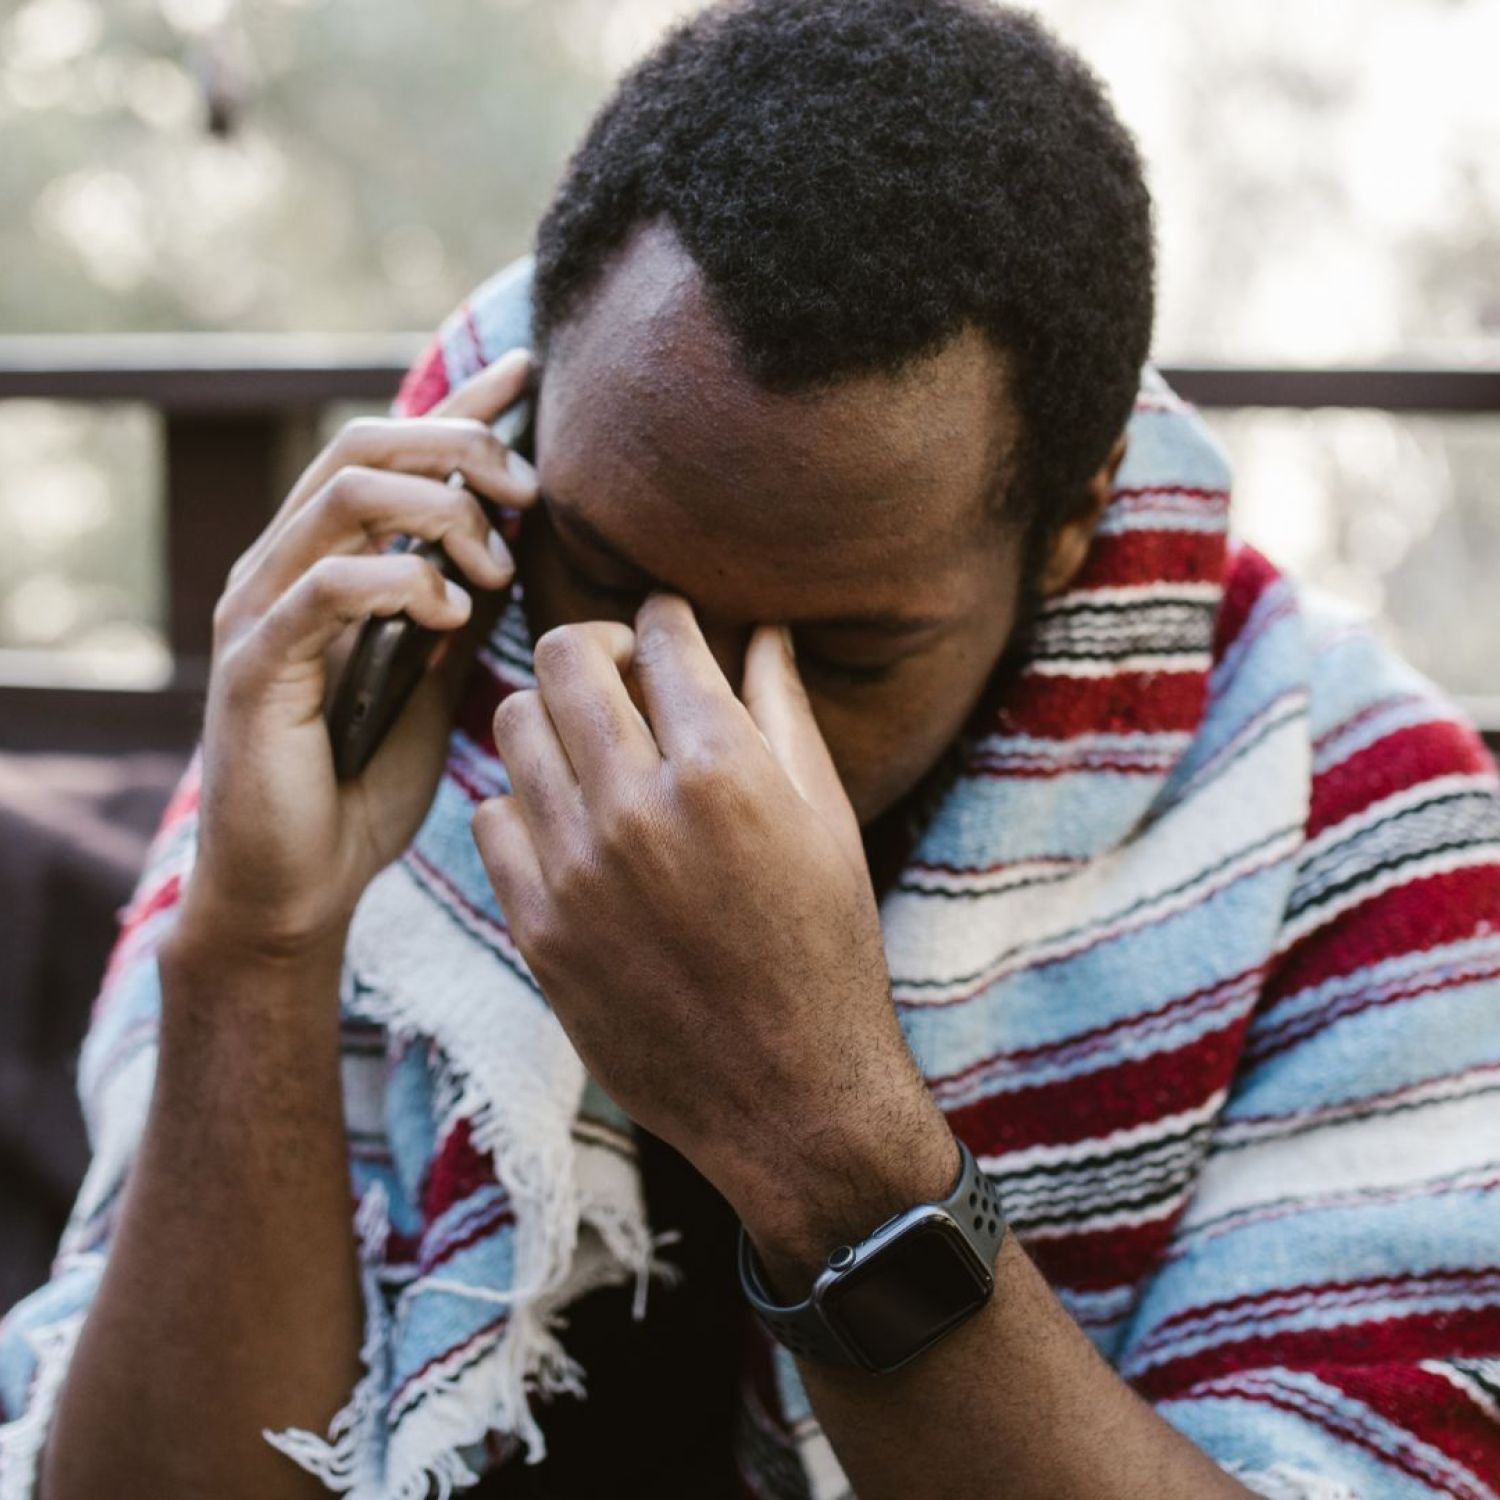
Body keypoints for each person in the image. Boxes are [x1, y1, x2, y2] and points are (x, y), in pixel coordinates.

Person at [4, 1, 1499, 1496]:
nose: (682, 730)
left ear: (1069, 529)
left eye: (844, 655)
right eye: (598, 580)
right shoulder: (392, 664)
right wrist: (258, 946)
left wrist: (816, 1128)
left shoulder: (1365, 853)